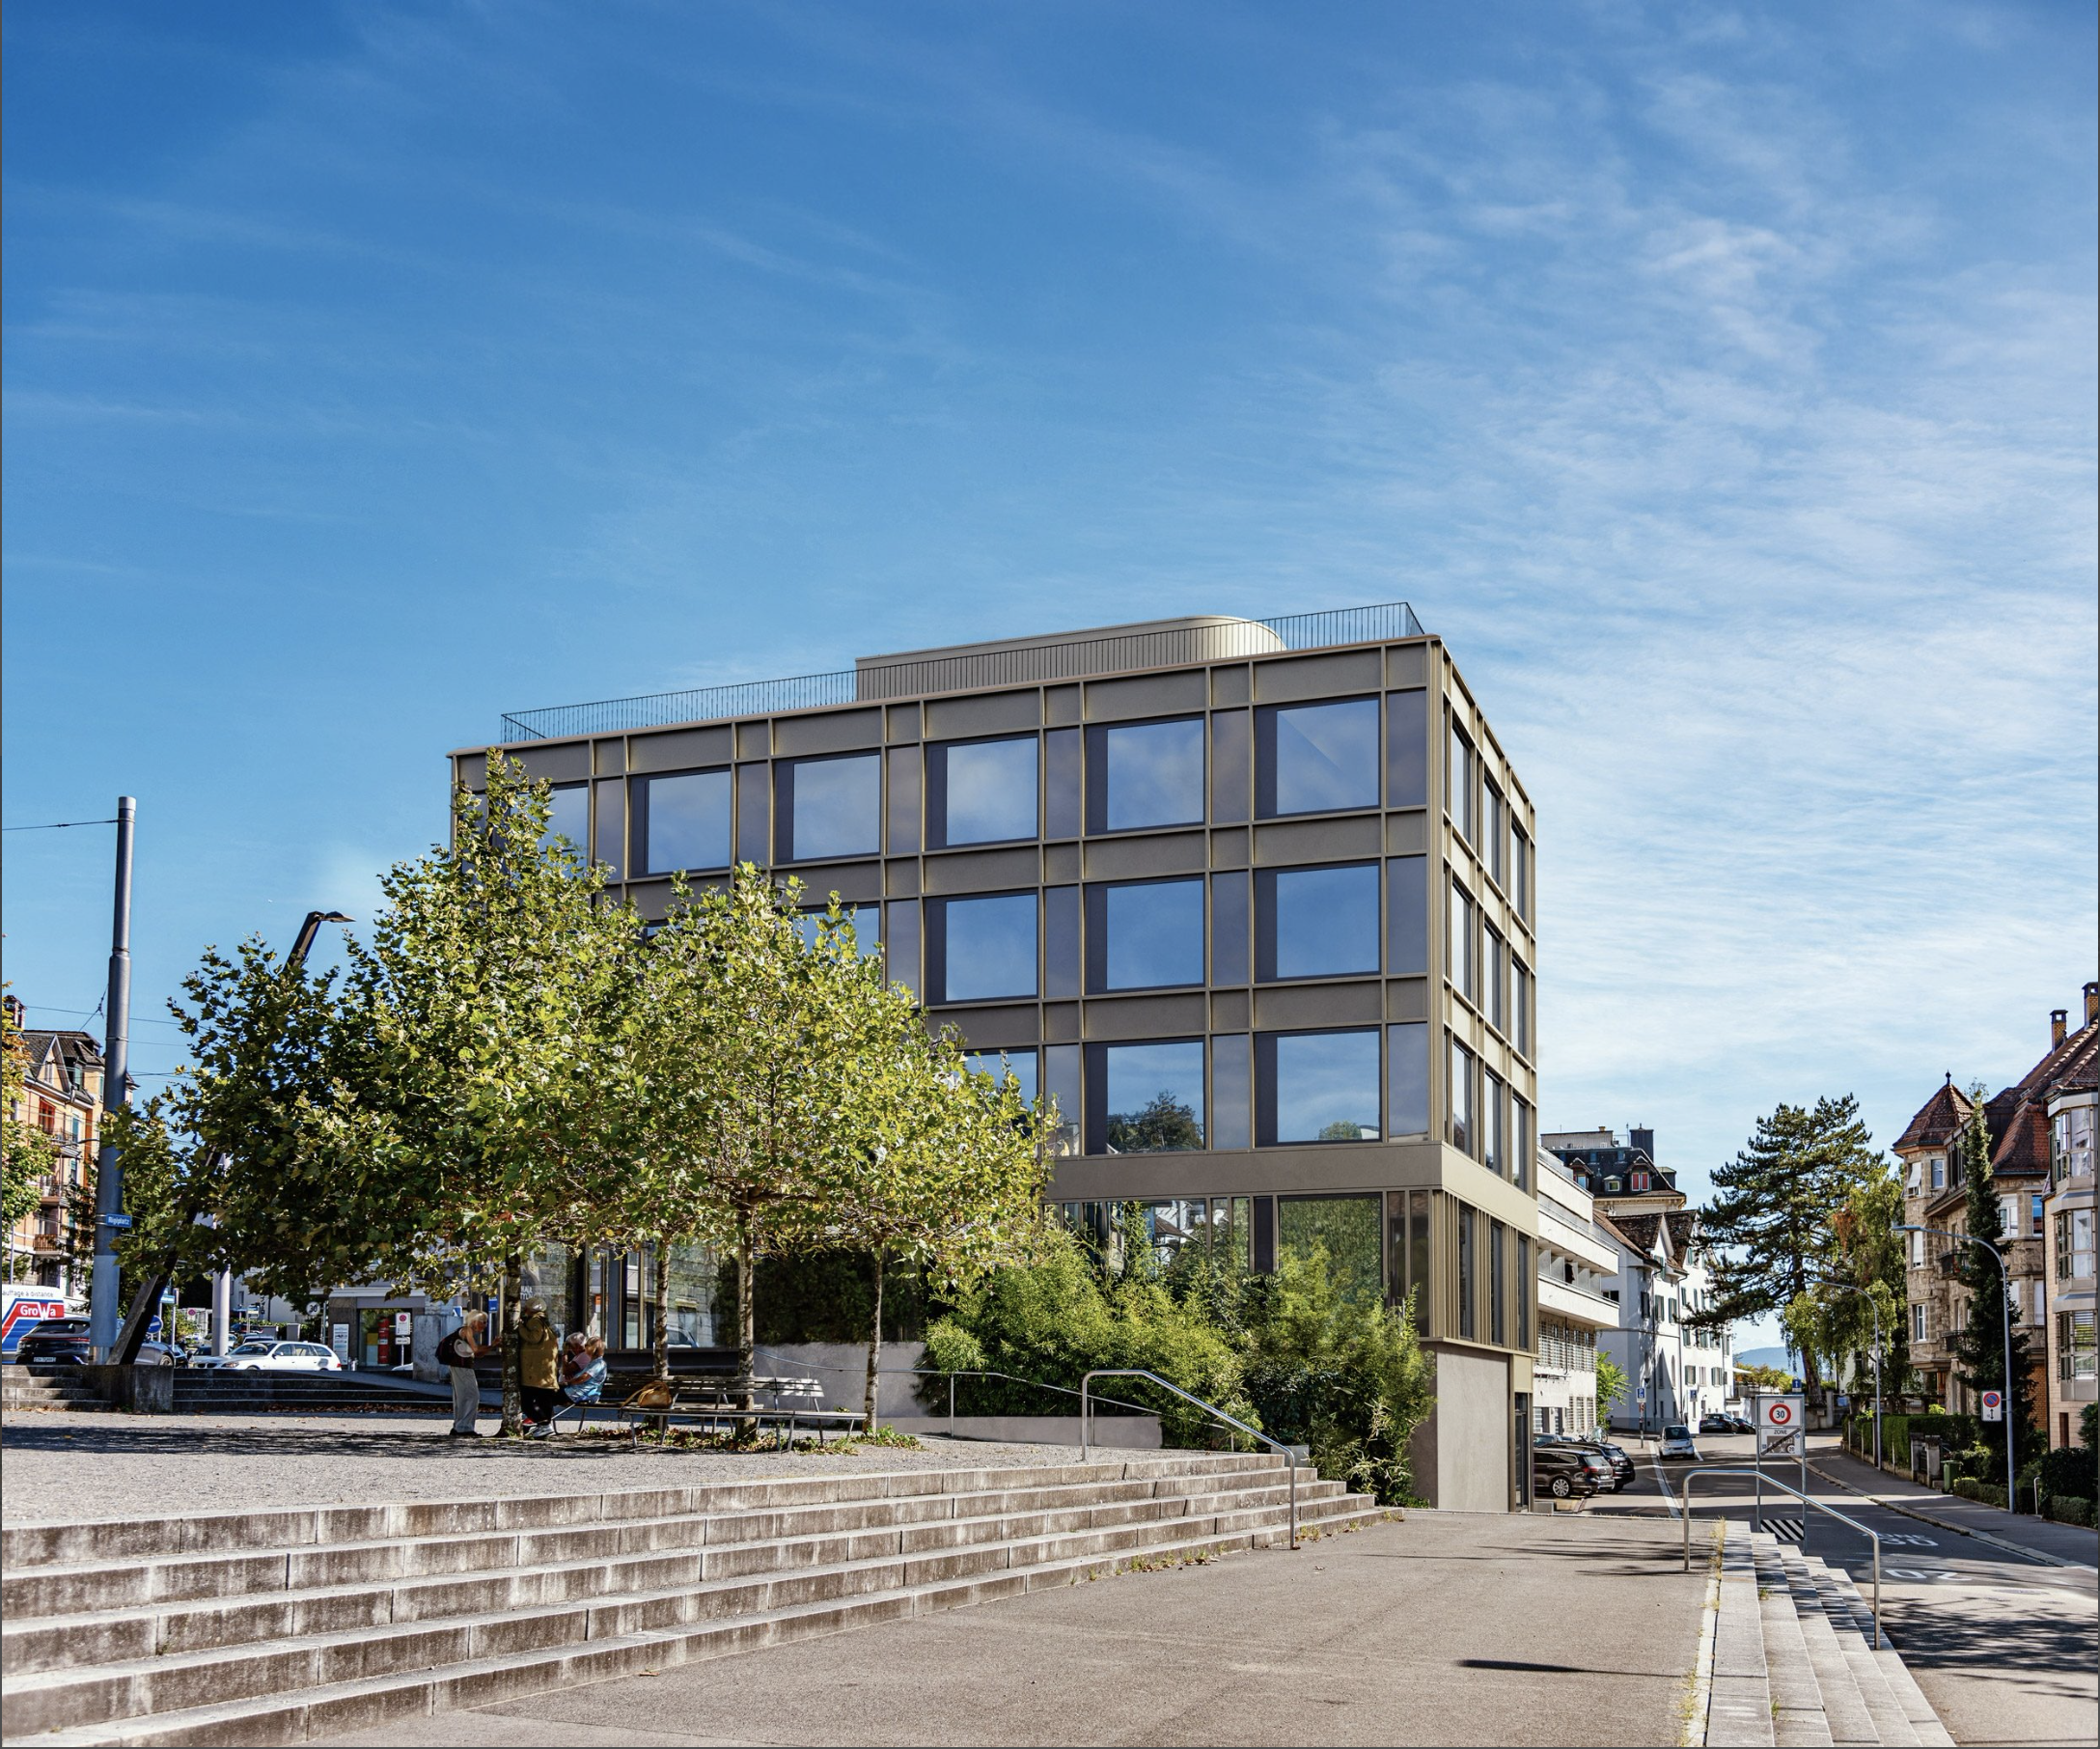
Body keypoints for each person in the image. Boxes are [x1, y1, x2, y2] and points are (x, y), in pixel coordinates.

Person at [435, 1311, 489, 1438]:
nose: (485, 1325)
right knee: (471, 1396)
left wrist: (493, 1346)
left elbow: (477, 1353)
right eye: (484, 1322)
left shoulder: (464, 1331)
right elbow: (476, 1350)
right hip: (463, 1368)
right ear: (475, 1321)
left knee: (462, 1397)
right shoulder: (467, 1330)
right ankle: (464, 1427)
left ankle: (459, 1426)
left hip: (459, 1367)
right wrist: (493, 1345)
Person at [518, 1302, 560, 1430]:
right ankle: (544, 1427)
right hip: (547, 1372)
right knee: (545, 1401)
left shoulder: (535, 1321)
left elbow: (534, 1338)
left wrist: (519, 1326)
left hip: (534, 1371)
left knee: (527, 1402)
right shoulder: (547, 1322)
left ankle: (544, 1425)